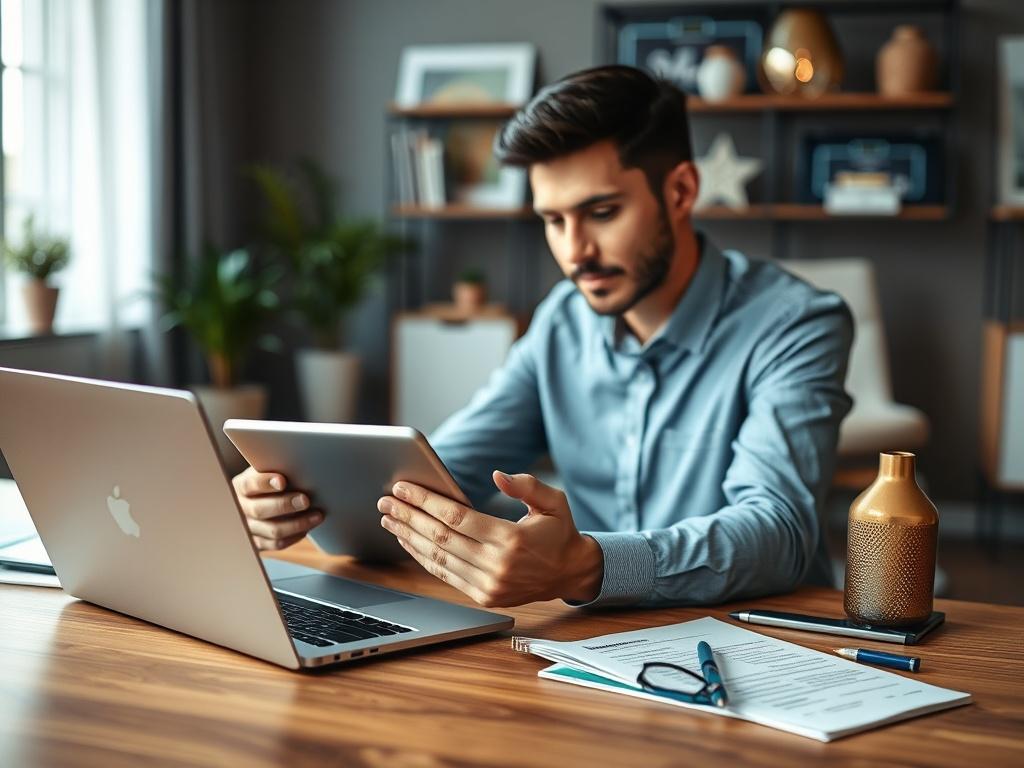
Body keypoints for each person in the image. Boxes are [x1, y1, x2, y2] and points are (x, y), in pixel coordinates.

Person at [232, 65, 853, 609]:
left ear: (681, 191)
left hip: (764, 644)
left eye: (602, 213)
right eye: (553, 221)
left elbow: (780, 531)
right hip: (588, 652)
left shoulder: (796, 323)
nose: (575, 252)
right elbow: (446, 469)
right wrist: (301, 498)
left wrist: (587, 565)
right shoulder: (564, 319)